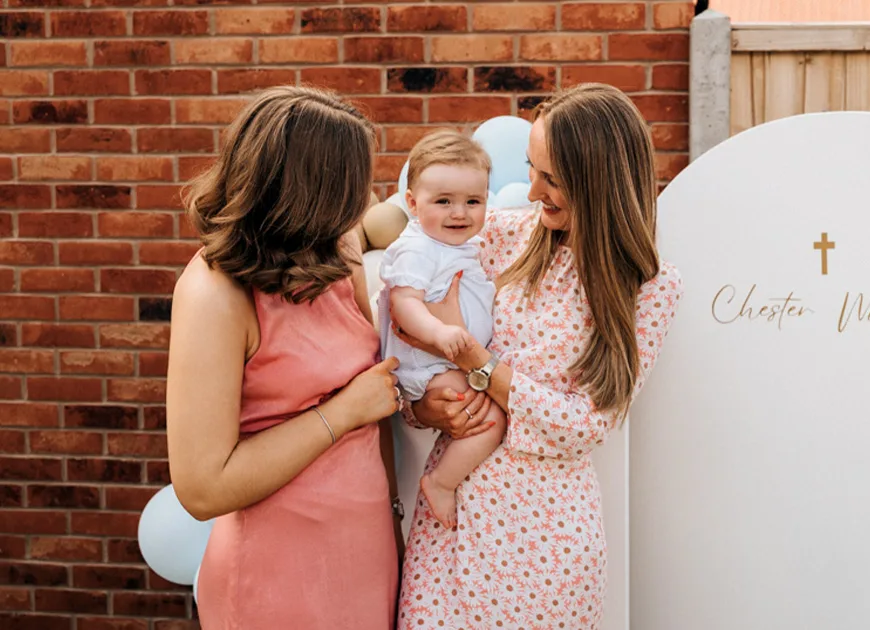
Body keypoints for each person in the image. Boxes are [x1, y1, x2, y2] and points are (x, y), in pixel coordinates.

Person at [394, 83, 684, 628]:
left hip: (547, 543)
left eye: (550, 178)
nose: (531, 191)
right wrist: (424, 409)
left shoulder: (649, 289)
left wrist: (482, 365)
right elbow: (414, 328)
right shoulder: (498, 237)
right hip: (452, 521)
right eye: (531, 168)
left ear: (597, 179)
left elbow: (586, 425)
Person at [165, 85, 403, 630]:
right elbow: (203, 487)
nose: (364, 198)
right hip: (275, 573)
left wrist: (395, 522)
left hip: (365, 552)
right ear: (311, 191)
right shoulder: (215, 293)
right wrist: (344, 411)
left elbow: (377, 399)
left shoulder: (338, 254)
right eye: (353, 184)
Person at [377, 130, 507, 530]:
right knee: (492, 420)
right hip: (429, 363)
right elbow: (404, 302)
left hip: (447, 358)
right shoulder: (418, 248)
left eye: (473, 201)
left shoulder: (457, 244)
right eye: (444, 201)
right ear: (413, 203)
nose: (459, 213)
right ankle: (441, 482)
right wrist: (439, 333)